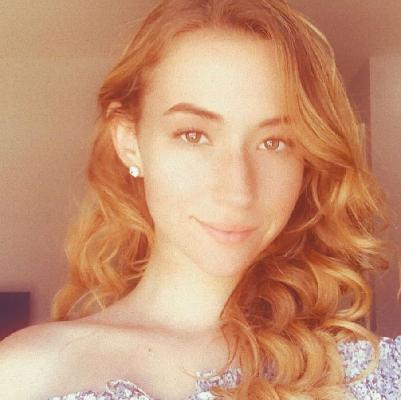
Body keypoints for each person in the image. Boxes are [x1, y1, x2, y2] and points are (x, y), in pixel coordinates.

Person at [1, 0, 400, 399]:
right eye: (193, 135)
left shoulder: (369, 374)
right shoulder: (27, 374)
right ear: (129, 142)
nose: (238, 190)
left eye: (274, 142)